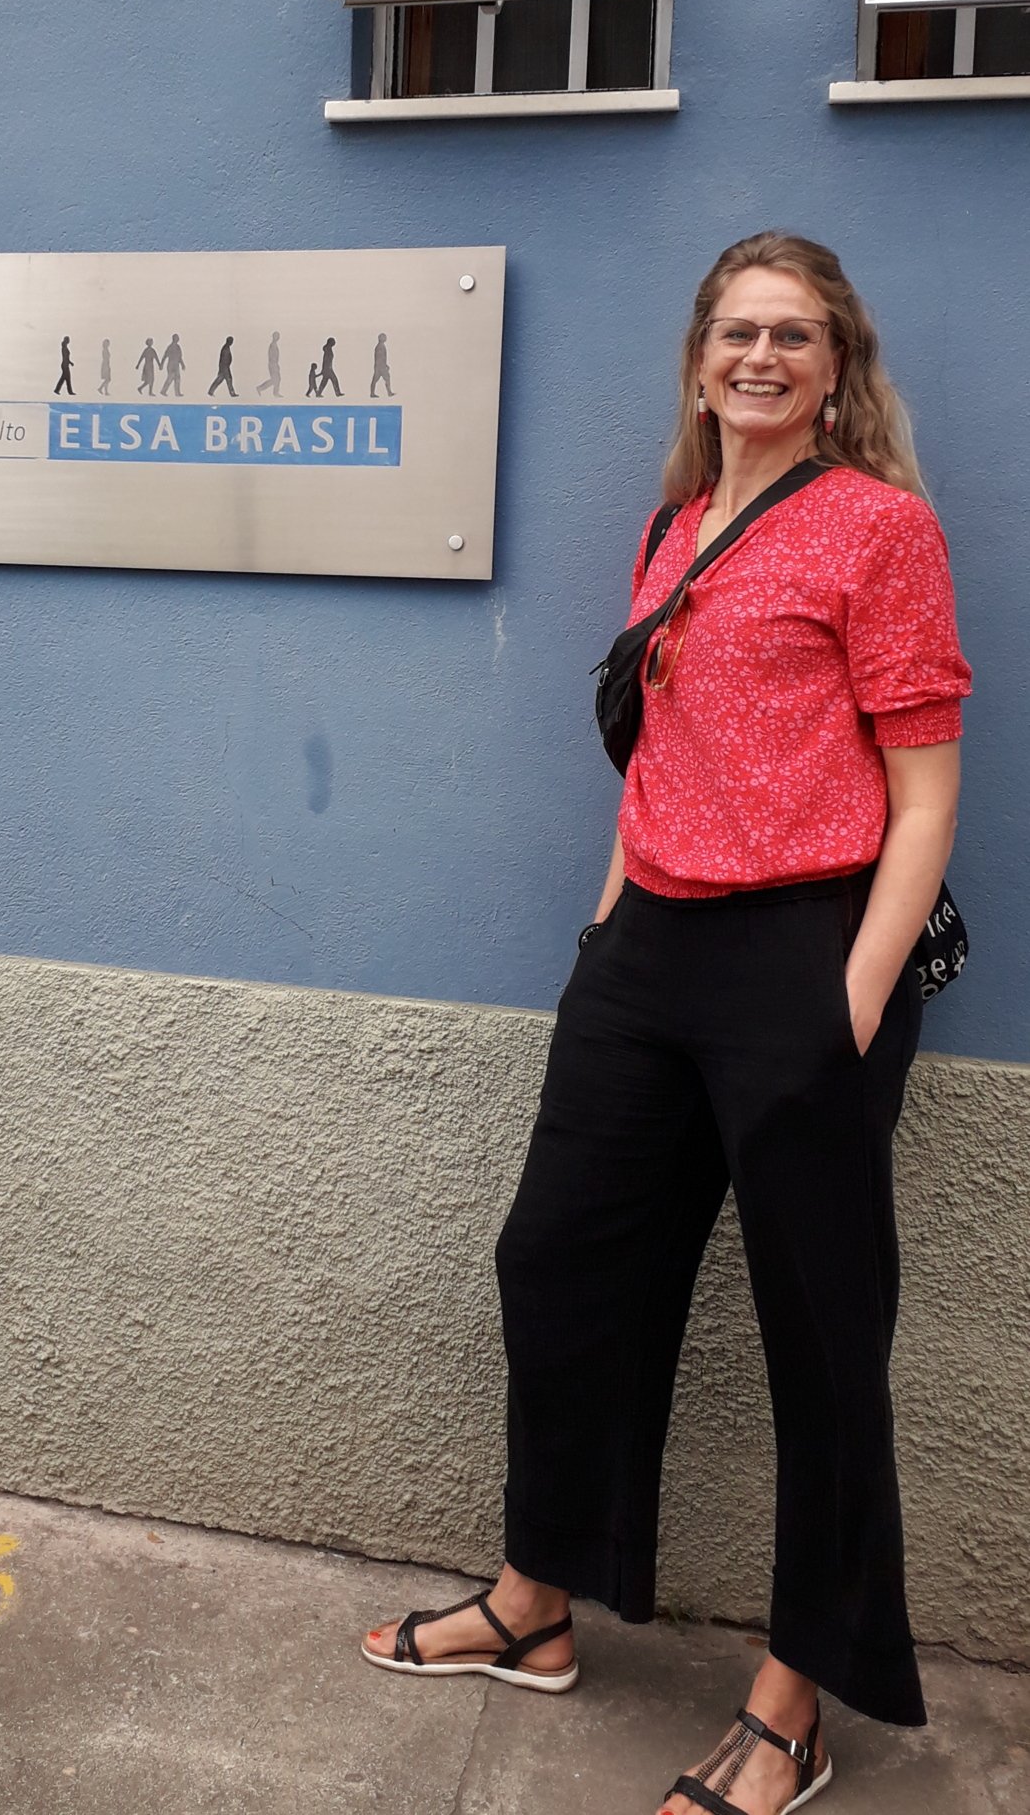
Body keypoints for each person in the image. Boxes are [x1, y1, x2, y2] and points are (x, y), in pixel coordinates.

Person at [362, 232, 971, 1815]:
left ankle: (794, 1702)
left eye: (793, 333)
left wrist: (844, 994)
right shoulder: (675, 525)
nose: (759, 355)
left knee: (817, 1338)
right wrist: (608, 916)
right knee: (557, 1257)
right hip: (646, 949)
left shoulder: (881, 530)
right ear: (699, 357)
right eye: (734, 330)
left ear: (840, 369)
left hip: (805, 955)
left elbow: (925, 796)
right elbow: (664, 748)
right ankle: (538, 1595)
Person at [257, 331, 282, 397]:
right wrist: (275, 365)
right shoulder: (273, 345)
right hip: (273, 364)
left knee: (276, 379)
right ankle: (261, 388)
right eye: (277, 336)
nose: (278, 337)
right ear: (274, 336)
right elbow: (272, 356)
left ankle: (274, 392)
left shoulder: (274, 344)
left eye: (278, 336)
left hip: (274, 364)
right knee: (275, 379)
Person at [160, 334, 185, 398]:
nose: (178, 339)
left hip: (176, 365)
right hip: (171, 365)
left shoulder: (178, 347)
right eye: (177, 338)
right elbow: (165, 356)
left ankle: (177, 393)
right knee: (170, 378)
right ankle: (163, 391)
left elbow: (179, 357)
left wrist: (182, 364)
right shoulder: (170, 347)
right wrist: (161, 364)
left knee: (177, 379)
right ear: (174, 338)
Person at [369, 333, 393, 399]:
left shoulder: (381, 346)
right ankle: (389, 393)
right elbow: (379, 358)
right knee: (384, 378)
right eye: (384, 337)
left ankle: (373, 393)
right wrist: (384, 366)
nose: (385, 338)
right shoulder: (380, 347)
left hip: (379, 367)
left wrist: (385, 365)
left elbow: (382, 358)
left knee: (376, 380)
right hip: (380, 367)